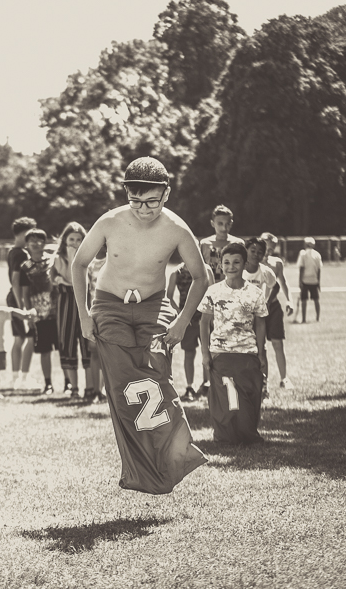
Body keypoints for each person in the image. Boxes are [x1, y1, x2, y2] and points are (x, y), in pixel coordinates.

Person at [71, 156, 208, 495]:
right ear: (126, 194)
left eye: (152, 201)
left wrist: (182, 321)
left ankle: (175, 456)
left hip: (154, 306)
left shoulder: (176, 228)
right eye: (136, 201)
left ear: (167, 194)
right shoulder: (110, 221)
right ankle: (139, 471)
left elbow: (201, 277)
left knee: (157, 378)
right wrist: (84, 315)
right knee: (122, 387)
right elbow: (79, 264)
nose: (144, 209)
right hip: (109, 305)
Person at [198, 243, 268, 445]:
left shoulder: (255, 293)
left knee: (248, 396)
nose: (231, 266)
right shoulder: (213, 291)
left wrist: (261, 353)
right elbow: (204, 322)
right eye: (226, 262)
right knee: (225, 397)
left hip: (247, 352)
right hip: (220, 352)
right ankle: (224, 437)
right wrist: (205, 353)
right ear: (220, 265)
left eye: (236, 262)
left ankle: (248, 434)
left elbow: (261, 323)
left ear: (245, 264)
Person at [50, 222, 92, 397]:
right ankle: (74, 388)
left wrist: (77, 256)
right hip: (66, 303)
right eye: (71, 239)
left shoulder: (89, 258)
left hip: (85, 303)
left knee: (88, 343)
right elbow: (70, 278)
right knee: (67, 343)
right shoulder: (58, 259)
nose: (75, 243)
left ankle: (90, 388)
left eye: (78, 239)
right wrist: (71, 255)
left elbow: (81, 282)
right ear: (65, 240)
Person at [167, 259, 215, 401]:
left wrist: (210, 315)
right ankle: (189, 387)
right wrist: (182, 315)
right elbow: (169, 297)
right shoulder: (176, 272)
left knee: (208, 351)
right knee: (189, 353)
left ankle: (208, 384)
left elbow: (213, 293)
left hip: (205, 319)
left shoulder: (206, 269)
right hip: (188, 321)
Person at [20, 228, 59, 394]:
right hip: (39, 314)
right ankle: (48, 383)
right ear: (27, 245)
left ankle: (69, 383)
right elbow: (25, 293)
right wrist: (29, 313)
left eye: (39, 240)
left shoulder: (53, 261)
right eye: (32, 241)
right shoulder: (25, 267)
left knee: (63, 348)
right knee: (44, 350)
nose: (36, 244)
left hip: (57, 311)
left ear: (44, 242)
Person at [243, 237, 280, 397]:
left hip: (257, 319)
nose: (256, 254)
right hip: (239, 318)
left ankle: (264, 387)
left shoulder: (265, 271)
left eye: (260, 252)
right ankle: (244, 385)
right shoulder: (239, 269)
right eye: (252, 251)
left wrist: (267, 302)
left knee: (261, 350)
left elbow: (275, 286)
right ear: (246, 251)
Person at [259, 233, 295, 390]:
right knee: (260, 348)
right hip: (257, 310)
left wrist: (289, 300)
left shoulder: (277, 263)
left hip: (273, 308)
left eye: (271, 249)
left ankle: (284, 378)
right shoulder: (251, 263)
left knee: (278, 343)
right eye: (266, 248)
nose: (268, 252)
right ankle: (263, 383)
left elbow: (283, 283)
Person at [7, 216, 37, 390]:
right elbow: (15, 280)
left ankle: (16, 377)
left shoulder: (13, 251)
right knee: (29, 338)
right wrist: (21, 307)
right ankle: (22, 378)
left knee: (19, 338)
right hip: (20, 298)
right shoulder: (21, 254)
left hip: (16, 298)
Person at [85, 245, 108, 403]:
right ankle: (96, 391)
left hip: (112, 312)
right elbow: (86, 292)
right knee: (94, 352)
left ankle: (107, 390)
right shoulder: (89, 265)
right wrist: (88, 315)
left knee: (110, 353)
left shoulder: (115, 261)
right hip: (95, 313)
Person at [200, 205, 244, 283]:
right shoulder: (205, 244)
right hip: (211, 287)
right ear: (212, 223)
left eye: (227, 224)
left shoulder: (238, 243)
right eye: (220, 224)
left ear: (231, 223)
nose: (224, 228)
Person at [296, 237, 322, 323]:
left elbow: (301, 268)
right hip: (314, 280)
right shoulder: (317, 254)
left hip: (305, 280)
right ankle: (317, 318)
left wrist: (300, 281)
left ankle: (304, 319)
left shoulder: (303, 254)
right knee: (316, 299)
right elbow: (319, 270)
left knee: (304, 300)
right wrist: (318, 281)